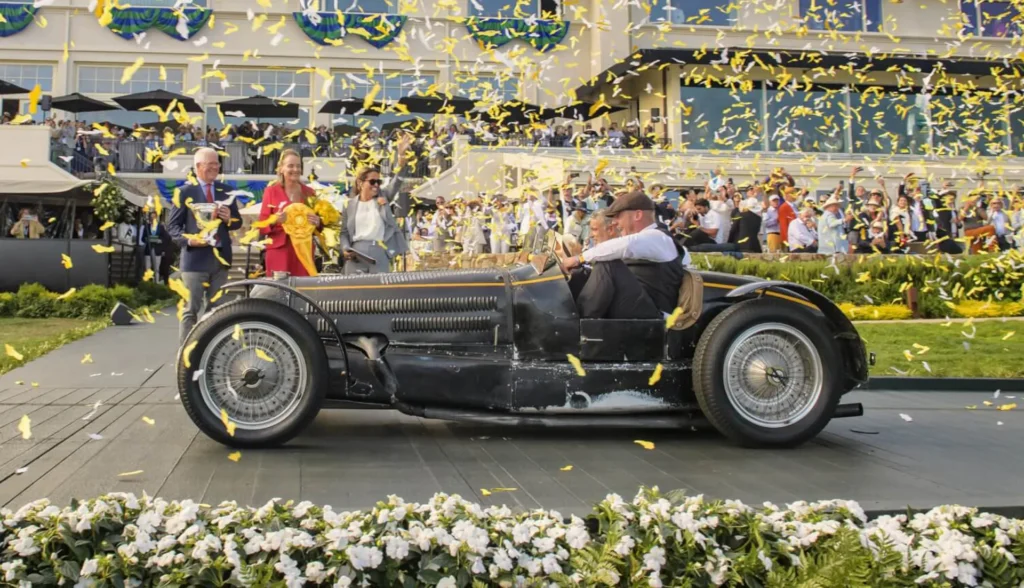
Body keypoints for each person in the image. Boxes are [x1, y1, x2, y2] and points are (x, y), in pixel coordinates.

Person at [562, 191, 688, 315]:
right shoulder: (649, 240)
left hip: (654, 314)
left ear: (637, 215)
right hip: (638, 304)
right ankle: (566, 311)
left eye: (618, 216)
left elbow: (625, 245)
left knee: (607, 265)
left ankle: (578, 324)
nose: (615, 222)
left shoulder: (658, 237)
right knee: (581, 274)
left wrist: (578, 258)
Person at [167, 147, 242, 343]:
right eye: (210, 164)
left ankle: (209, 353)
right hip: (194, 261)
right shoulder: (183, 192)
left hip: (220, 260)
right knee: (190, 310)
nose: (215, 168)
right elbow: (173, 227)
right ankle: (186, 358)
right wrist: (190, 240)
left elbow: (238, 222)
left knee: (216, 313)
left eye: (217, 164)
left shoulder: (226, 191)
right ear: (198, 166)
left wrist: (229, 219)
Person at [339, 154, 410, 274]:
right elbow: (344, 232)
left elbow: (397, 182)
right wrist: (345, 249)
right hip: (356, 253)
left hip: (379, 251)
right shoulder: (349, 205)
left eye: (379, 181)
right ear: (360, 183)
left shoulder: (384, 197)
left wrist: (402, 160)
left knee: (379, 291)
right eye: (372, 181)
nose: (376, 185)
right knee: (355, 291)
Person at [259, 149, 322, 276]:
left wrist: (318, 222)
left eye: (298, 166)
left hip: (303, 251)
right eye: (291, 166)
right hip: (279, 251)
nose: (295, 169)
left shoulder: (310, 193)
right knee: (277, 293)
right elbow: (261, 225)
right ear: (281, 168)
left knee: (302, 291)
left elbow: (318, 226)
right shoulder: (271, 191)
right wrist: (275, 220)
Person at [138, 210, 168, 283]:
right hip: (148, 250)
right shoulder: (147, 227)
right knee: (147, 268)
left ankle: (156, 283)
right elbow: (142, 238)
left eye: (154, 217)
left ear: (156, 218)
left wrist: (160, 241)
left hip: (158, 250)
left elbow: (165, 238)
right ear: (149, 218)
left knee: (156, 268)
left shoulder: (160, 227)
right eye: (151, 217)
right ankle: (147, 283)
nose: (152, 219)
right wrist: (147, 239)